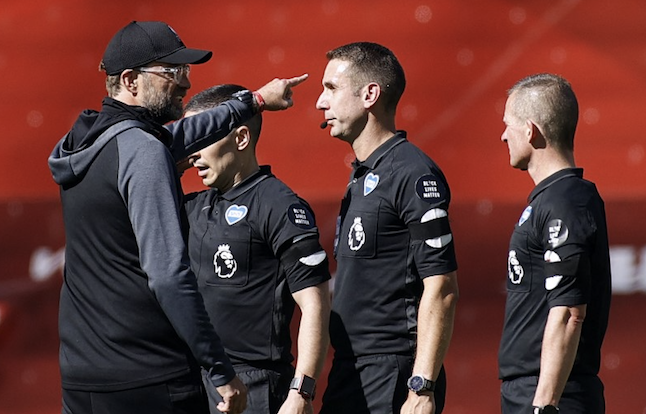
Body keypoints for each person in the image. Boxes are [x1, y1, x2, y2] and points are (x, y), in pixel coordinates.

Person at [47, 20, 307, 414]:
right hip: (148, 379)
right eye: (172, 73)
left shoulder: (85, 143)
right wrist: (220, 370)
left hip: (83, 378)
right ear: (131, 81)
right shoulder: (142, 151)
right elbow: (168, 276)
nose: (185, 84)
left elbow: (181, 136)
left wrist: (253, 101)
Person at [315, 42, 459, 414]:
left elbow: (441, 286)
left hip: (393, 374)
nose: (320, 102)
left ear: (370, 95)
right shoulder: (363, 175)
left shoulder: (412, 172)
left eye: (331, 88)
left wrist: (422, 385)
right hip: (351, 369)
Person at [181, 84, 331, 414]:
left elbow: (315, 303)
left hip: (256, 387)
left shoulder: (279, 205)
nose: (191, 151)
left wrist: (301, 393)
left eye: (201, 136)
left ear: (241, 139)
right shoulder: (190, 207)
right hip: (195, 383)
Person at [498, 73, 611, 414]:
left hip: (553, 396)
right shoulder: (553, 199)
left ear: (530, 130)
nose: (503, 135)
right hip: (530, 392)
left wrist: (544, 405)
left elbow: (569, 313)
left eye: (508, 125)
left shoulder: (566, 202)